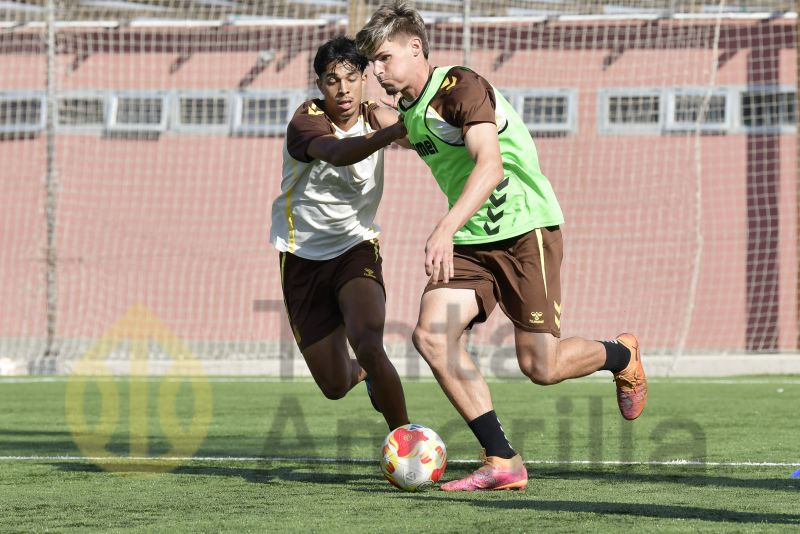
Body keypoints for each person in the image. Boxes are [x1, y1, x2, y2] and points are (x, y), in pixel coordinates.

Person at [356, 2, 647, 490]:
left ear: (416, 47)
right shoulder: (412, 108)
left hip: (523, 229)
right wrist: (360, 109)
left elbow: (489, 166)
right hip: (473, 242)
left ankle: (623, 356)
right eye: (372, 64)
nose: (378, 71)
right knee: (431, 336)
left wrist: (445, 226)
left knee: (541, 365)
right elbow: (410, 132)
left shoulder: (460, 86)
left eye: (384, 58)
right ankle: (503, 460)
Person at [270, 36, 410, 430]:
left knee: (368, 344)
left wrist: (422, 125)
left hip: (356, 249)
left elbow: (417, 139)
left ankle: (407, 440)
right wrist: (397, 130)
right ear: (320, 85)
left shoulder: (377, 115)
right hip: (302, 258)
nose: (343, 88)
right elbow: (338, 152)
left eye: (351, 77)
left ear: (365, 78)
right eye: (333, 80)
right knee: (334, 385)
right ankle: (365, 378)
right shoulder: (306, 121)